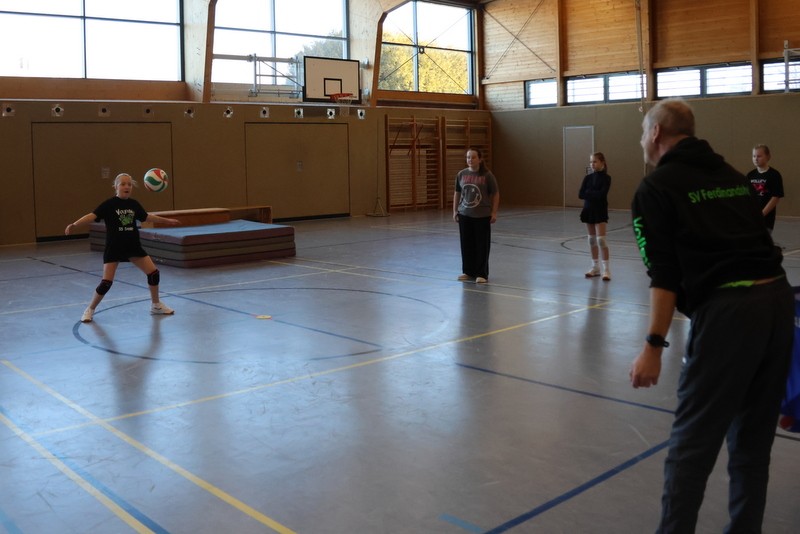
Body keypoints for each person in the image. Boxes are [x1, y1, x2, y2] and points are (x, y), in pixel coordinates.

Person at [629, 98, 794, 533]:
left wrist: (653, 345)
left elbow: (663, 273)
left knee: (692, 442)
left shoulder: (655, 189)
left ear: (656, 133)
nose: (642, 140)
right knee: (753, 441)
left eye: (643, 132)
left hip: (729, 314)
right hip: (778, 304)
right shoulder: (733, 177)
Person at [65, 172, 181, 323]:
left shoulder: (134, 204)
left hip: (132, 246)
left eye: (129, 184)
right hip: (114, 247)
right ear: (116, 186)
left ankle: (156, 305)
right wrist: (74, 224)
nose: (127, 187)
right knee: (106, 283)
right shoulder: (109, 204)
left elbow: (146, 217)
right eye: (123, 184)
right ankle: (90, 309)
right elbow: (92, 216)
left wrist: (167, 221)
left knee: (153, 273)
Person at [453, 147, 499, 284]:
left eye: (473, 157)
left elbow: (495, 193)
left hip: (482, 216)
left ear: (480, 159)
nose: (470, 160)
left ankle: (481, 273)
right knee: (466, 244)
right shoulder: (461, 174)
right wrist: (455, 210)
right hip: (465, 214)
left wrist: (494, 212)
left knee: (481, 245)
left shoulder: (487, 175)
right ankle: (468, 271)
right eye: (468, 157)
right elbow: (457, 192)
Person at [578, 152, 612, 281]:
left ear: (602, 162)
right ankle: (595, 267)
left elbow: (601, 195)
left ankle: (606, 269)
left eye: (595, 161)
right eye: (591, 162)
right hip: (588, 210)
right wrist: (592, 193)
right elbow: (580, 194)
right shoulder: (587, 178)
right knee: (591, 240)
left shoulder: (607, 178)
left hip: (600, 211)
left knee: (601, 240)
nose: (592, 164)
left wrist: (589, 193)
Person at [747, 144, 784, 233]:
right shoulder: (750, 175)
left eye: (759, 156)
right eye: (754, 156)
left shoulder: (774, 175)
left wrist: (761, 214)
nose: (756, 159)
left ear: (768, 157)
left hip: (766, 220)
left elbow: (775, 197)